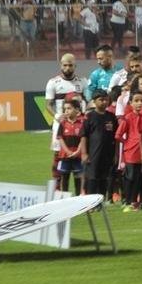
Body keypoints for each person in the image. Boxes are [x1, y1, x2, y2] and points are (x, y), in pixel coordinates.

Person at [45, 53, 86, 182]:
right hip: (61, 124)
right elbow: (48, 105)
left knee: (79, 154)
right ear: (61, 65)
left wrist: (84, 116)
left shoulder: (82, 82)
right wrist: (57, 116)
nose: (67, 68)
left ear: (75, 66)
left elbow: (88, 101)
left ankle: (80, 189)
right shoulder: (53, 82)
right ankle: (56, 187)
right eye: (65, 65)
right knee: (58, 154)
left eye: (70, 65)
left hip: (79, 124)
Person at [79, 89, 118, 198]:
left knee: (104, 179)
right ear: (94, 101)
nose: (104, 102)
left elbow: (116, 137)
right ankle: (90, 202)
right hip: (93, 154)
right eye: (101, 100)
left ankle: (101, 201)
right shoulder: (89, 117)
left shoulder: (111, 117)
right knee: (92, 178)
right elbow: (83, 136)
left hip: (107, 154)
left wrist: (116, 154)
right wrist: (84, 153)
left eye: (106, 100)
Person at [115, 88, 142, 210]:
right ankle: (128, 201)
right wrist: (128, 143)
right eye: (136, 101)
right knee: (130, 177)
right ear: (131, 103)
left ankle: (137, 201)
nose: (139, 103)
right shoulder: (128, 118)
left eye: (141, 101)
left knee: (139, 177)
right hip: (131, 152)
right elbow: (118, 135)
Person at [55, 96, 86, 194]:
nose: (66, 111)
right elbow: (60, 139)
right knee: (64, 179)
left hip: (78, 156)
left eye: (69, 108)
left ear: (77, 110)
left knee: (78, 179)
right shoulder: (63, 123)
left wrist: (78, 151)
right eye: (65, 109)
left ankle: (78, 198)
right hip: (65, 156)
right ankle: (64, 198)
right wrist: (68, 152)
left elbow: (83, 139)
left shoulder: (82, 123)